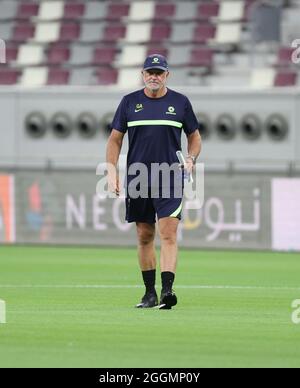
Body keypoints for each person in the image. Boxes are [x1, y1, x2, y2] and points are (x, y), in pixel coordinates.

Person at [106, 54, 201, 309]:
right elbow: (115, 140)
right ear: (143, 74)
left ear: (167, 75)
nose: (154, 77)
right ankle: (149, 294)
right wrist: (112, 171)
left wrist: (191, 158)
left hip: (170, 176)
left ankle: (167, 291)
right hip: (138, 177)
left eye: (159, 72)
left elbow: (195, 136)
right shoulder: (129, 103)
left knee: (168, 232)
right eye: (150, 72)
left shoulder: (180, 103)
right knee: (144, 234)